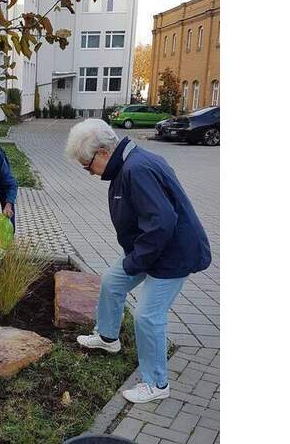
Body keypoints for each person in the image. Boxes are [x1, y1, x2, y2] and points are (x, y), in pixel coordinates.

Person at [64, 119, 212, 404]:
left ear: (104, 152)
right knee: (112, 281)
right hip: (151, 250)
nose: (88, 172)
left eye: (87, 164)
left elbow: (162, 224)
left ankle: (157, 383)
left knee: (147, 316)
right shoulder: (128, 164)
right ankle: (108, 338)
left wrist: (136, 262)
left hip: (173, 255)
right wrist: (134, 260)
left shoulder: (137, 168)